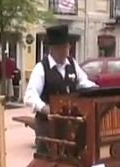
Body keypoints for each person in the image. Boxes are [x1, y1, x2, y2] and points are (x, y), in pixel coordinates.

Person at [24, 24, 98, 152]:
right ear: (53, 49)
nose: (66, 51)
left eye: (67, 47)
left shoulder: (72, 64)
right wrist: (44, 108)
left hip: (71, 125)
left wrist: (98, 90)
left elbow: (83, 82)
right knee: (49, 162)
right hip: (48, 126)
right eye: (62, 48)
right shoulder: (41, 68)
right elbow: (30, 96)